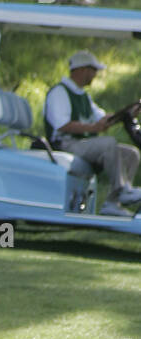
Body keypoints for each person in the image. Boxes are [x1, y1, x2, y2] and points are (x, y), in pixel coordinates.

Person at [43, 49, 141, 217]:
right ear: (81, 70)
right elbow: (62, 125)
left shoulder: (83, 96)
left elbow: (102, 117)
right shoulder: (60, 92)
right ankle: (122, 190)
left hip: (83, 144)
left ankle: (112, 203)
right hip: (66, 143)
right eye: (93, 70)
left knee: (131, 153)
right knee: (109, 143)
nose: (95, 74)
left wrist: (126, 114)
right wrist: (93, 128)